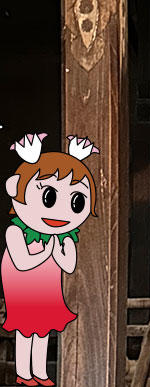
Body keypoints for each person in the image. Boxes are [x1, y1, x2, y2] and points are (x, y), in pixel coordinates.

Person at [1, 134, 98, 386]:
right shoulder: (16, 232)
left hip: (47, 291)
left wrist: (64, 249)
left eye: (77, 202)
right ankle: (24, 373)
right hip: (23, 290)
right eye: (49, 197)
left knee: (43, 331)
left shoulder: (63, 237)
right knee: (25, 331)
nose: (61, 212)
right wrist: (47, 252)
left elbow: (68, 265)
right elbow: (21, 262)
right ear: (15, 190)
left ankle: (40, 373)